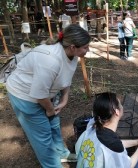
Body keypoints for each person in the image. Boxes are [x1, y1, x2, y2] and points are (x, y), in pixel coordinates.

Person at [6, 24, 91, 168]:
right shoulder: (50, 60)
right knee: (42, 137)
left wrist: (64, 99)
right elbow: (39, 95)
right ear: (72, 46)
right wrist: (50, 110)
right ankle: (52, 165)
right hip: (24, 95)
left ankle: (62, 154)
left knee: (54, 125)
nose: (88, 50)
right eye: (85, 47)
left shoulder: (73, 55)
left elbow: (65, 79)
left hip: (45, 93)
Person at [75, 92, 138, 168]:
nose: (122, 105)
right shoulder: (114, 146)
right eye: (120, 104)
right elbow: (129, 165)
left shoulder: (92, 127)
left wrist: (137, 142)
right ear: (117, 112)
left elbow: (110, 144)